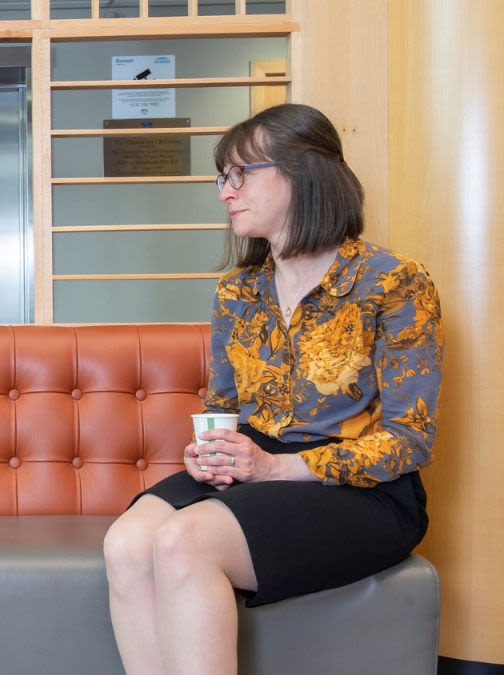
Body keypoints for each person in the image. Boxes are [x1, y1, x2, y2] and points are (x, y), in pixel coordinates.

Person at [102, 103, 443, 675]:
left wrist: (274, 470)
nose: (225, 193)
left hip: (365, 491)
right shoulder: (238, 292)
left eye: (241, 174)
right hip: (259, 464)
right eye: (222, 177)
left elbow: (411, 441)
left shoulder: (393, 282)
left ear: (304, 171)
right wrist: (211, 453)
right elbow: (224, 406)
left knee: (184, 540)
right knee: (126, 544)